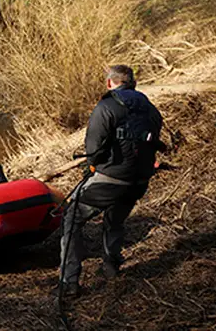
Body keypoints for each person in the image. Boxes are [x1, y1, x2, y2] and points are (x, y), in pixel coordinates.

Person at [53, 65, 164, 297]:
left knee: (71, 218)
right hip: (140, 181)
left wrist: (92, 165)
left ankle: (69, 282)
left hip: (111, 180)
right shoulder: (151, 109)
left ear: (109, 83)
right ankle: (112, 266)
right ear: (133, 83)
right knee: (115, 219)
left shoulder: (106, 106)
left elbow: (93, 148)